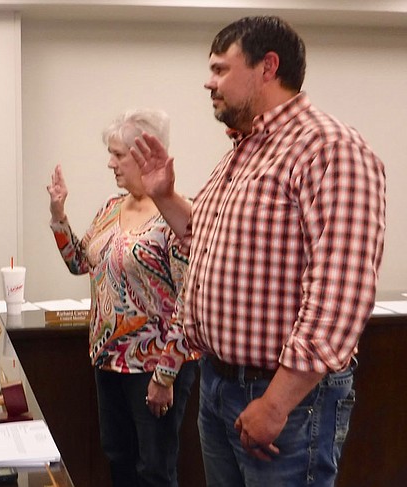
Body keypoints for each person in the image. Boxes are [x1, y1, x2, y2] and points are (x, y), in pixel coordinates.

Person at [130, 16, 386, 487]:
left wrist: (276, 402)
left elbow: (341, 291)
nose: (209, 82)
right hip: (219, 384)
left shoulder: (328, 148)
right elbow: (206, 241)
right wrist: (165, 197)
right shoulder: (241, 153)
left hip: (284, 396)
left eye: (221, 69)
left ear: (268, 67)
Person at [46, 109, 198, 487]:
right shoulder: (111, 209)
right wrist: (58, 214)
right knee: (119, 460)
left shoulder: (175, 216)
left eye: (118, 155)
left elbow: (189, 300)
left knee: (154, 470)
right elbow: (80, 263)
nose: (110, 163)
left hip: (155, 365)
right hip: (109, 360)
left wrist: (165, 375)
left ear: (145, 154)